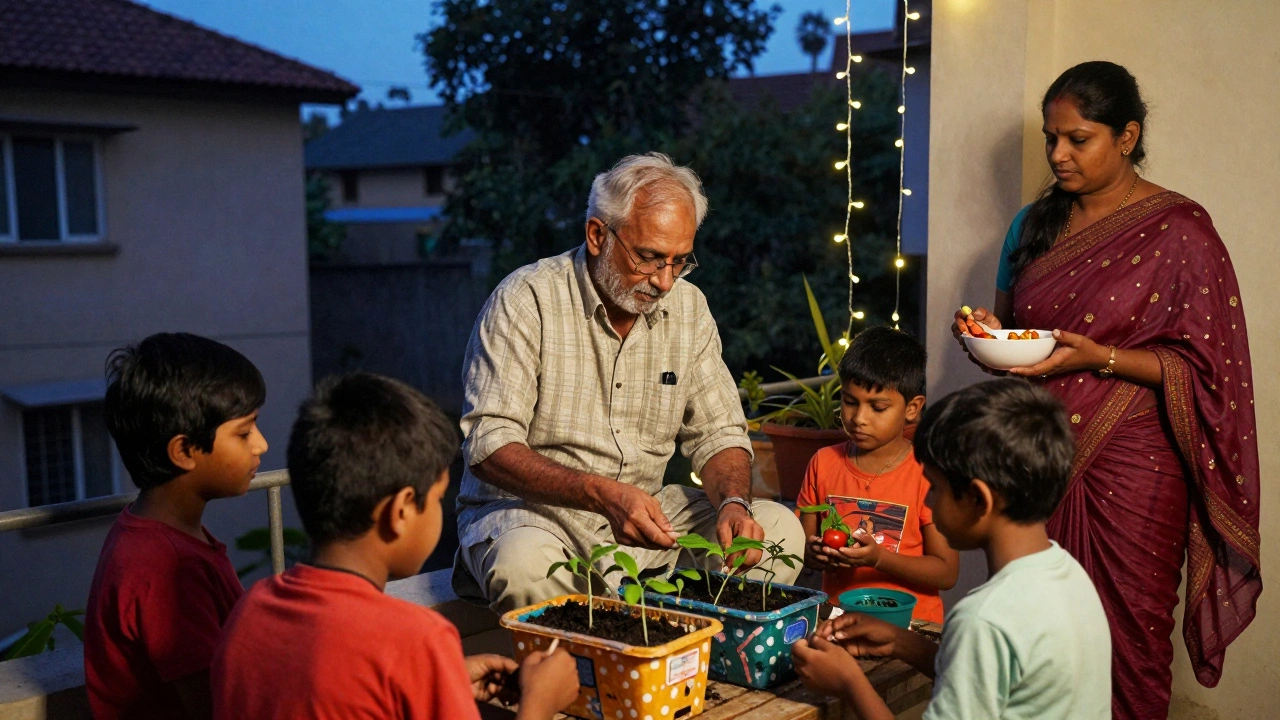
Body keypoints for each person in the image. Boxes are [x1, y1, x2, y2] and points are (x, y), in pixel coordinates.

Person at [953, 61, 1260, 719]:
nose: (1059, 155)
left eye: (1077, 139)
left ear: (1127, 135)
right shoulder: (1031, 227)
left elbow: (1211, 371)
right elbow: (1012, 333)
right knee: (1033, 633)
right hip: (1038, 457)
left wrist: (1105, 358)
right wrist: (983, 334)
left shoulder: (1183, 232)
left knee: (1132, 643)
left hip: (1137, 468)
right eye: (1050, 138)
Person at [454, 152, 805, 613]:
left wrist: (734, 505)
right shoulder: (526, 300)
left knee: (781, 531)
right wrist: (602, 494)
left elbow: (719, 433)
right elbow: (488, 445)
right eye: (649, 258)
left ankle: (690, 656)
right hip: (536, 520)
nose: (664, 280)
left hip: (648, 521)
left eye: (679, 261)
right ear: (598, 234)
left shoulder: (689, 308)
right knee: (523, 564)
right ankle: (581, 676)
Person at [212, 373, 578, 719]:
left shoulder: (250, 609)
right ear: (400, 511)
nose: (439, 514)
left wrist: (436, 682)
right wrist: (540, 705)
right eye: (436, 499)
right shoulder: (416, 639)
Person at [793, 379, 1111, 720]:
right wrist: (903, 643)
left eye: (936, 488)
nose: (928, 499)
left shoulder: (983, 619)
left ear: (977, 500)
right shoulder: (1071, 575)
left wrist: (849, 681)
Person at [84, 333, 267, 719]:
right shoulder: (170, 569)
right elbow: (215, 706)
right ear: (183, 451)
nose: (261, 445)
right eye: (244, 432)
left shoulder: (152, 530)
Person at [796, 327, 958, 625]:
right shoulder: (823, 462)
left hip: (913, 628)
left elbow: (946, 572)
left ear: (912, 409)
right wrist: (817, 553)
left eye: (878, 407)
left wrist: (879, 558)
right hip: (839, 621)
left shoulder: (927, 471)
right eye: (850, 401)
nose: (859, 418)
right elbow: (805, 549)